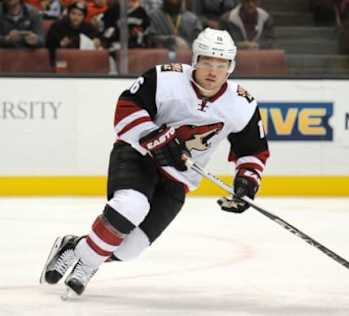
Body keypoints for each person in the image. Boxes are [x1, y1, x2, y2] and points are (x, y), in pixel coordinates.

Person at [39, 27, 269, 298]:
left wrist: (246, 183)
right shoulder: (165, 78)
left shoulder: (242, 104)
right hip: (138, 155)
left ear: (231, 66)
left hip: (179, 178)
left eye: (221, 64)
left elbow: (253, 150)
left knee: (129, 249)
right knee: (131, 206)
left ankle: (75, 247)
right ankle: (87, 265)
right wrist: (155, 136)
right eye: (207, 61)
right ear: (195, 60)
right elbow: (127, 108)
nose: (213, 71)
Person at [46, 1, 101, 67]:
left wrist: (97, 41)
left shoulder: (88, 27)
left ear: (84, 17)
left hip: (82, 61)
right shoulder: (58, 26)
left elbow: (98, 38)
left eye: (80, 15)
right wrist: (59, 44)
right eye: (73, 13)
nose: (76, 17)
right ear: (68, 14)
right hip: (61, 59)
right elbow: (48, 44)